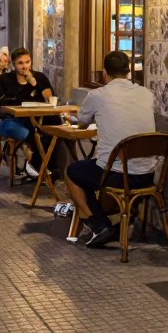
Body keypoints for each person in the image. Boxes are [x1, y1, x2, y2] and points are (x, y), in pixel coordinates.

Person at [64, 50, 156, 248]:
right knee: (94, 167)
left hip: (117, 175)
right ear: (129, 71)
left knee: (73, 172)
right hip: (148, 175)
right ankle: (110, 219)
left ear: (104, 73)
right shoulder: (146, 94)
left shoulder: (97, 95)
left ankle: (99, 225)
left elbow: (81, 123)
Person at [0, 47, 54, 182]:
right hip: (9, 120)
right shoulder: (4, 80)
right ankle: (35, 164)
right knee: (31, 134)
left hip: (35, 119)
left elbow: (49, 98)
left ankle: (37, 165)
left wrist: (34, 82)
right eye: (20, 63)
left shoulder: (39, 77)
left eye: (27, 62)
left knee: (50, 132)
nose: (25, 66)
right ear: (13, 64)